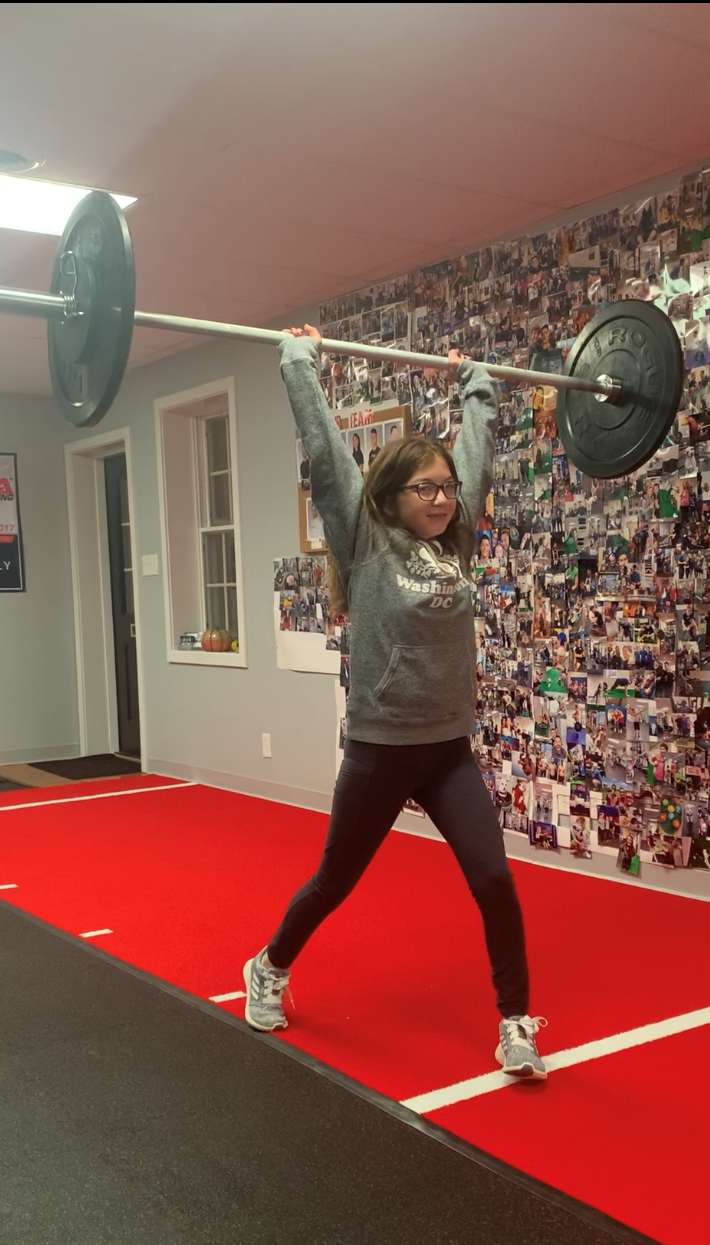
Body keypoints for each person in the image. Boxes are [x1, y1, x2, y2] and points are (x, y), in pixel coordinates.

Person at [243, 323, 547, 1081]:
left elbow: (476, 460)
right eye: (426, 488)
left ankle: (515, 1023)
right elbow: (324, 452)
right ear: (391, 494)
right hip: (381, 748)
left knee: (493, 878)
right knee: (335, 881)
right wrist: (299, 361)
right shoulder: (364, 536)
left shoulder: (456, 538)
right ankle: (269, 965)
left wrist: (477, 382)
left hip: (446, 749)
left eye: (446, 488)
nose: (442, 498)